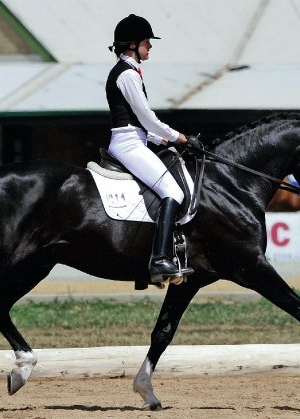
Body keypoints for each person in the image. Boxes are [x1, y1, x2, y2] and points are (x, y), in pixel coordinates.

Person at [106, 14, 194, 284]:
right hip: (128, 144)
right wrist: (180, 137)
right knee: (173, 192)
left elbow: (138, 122)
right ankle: (160, 259)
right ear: (133, 44)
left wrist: (160, 140)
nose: (150, 46)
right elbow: (147, 118)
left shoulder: (128, 71)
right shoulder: (127, 74)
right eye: (146, 41)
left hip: (135, 139)